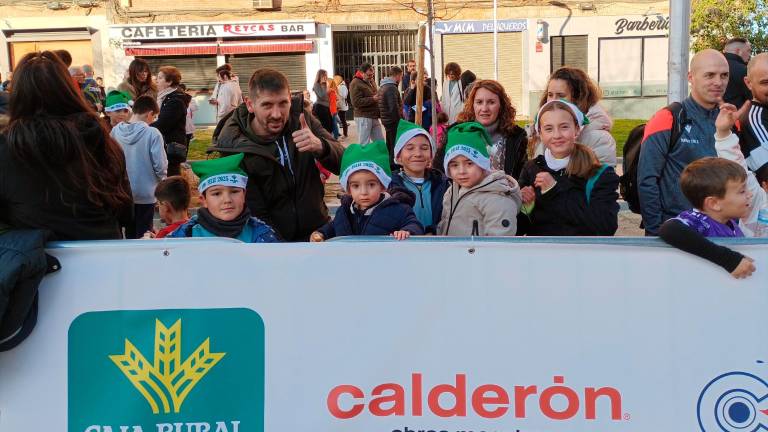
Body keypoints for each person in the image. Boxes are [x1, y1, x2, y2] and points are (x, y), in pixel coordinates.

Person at [0, 51, 132, 240]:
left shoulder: (8, 148)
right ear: (68, 89)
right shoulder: (100, 139)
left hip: (39, 260)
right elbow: (126, 209)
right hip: (103, 254)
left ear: (17, 95)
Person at [210, 68, 344, 242]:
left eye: (283, 103)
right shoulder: (234, 145)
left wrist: (321, 146)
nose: (277, 114)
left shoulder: (302, 120)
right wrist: (279, 250)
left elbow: (346, 163)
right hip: (269, 243)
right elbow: (254, 212)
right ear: (250, 104)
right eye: (267, 105)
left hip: (317, 234)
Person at [638, 49, 729, 236]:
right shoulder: (668, 117)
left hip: (721, 232)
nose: (718, 82)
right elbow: (647, 180)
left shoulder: (730, 120)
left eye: (724, 75)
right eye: (709, 75)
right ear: (691, 77)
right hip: (677, 232)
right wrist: (656, 232)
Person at [517, 100, 619, 236]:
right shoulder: (531, 168)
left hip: (581, 255)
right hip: (541, 254)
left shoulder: (598, 173)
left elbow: (605, 226)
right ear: (540, 133)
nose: (557, 135)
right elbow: (519, 229)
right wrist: (523, 206)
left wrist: (554, 191)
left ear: (577, 129)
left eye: (564, 127)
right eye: (549, 129)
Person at [659, 158, 755, 278]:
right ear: (714, 204)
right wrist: (729, 260)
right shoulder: (698, 221)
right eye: (742, 191)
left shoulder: (729, 222)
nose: (750, 194)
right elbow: (669, 229)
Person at [310, 140, 423, 241]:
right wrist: (321, 233)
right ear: (348, 189)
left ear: (383, 185)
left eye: (371, 184)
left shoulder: (398, 209)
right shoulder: (344, 211)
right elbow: (335, 226)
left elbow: (414, 224)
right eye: (356, 186)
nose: (364, 192)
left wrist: (407, 231)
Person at [167, 154, 280, 242]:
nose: (227, 200)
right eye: (216, 194)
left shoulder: (263, 235)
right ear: (203, 200)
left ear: (244, 195)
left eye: (234, 191)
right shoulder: (185, 236)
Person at [437, 122, 521, 236]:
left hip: (478, 253)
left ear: (483, 163)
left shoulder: (497, 199)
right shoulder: (451, 193)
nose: (462, 171)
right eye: (454, 165)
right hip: (452, 253)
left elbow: (499, 245)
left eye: (469, 163)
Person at [433, 80, 528, 180]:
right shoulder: (455, 133)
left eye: (491, 102)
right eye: (479, 102)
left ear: (501, 105)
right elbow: (438, 173)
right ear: (472, 105)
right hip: (463, 195)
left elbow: (521, 176)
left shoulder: (515, 136)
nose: (484, 108)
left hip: (503, 194)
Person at [532, 67, 617, 166]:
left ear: (579, 98)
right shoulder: (543, 129)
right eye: (550, 95)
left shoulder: (600, 138)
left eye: (561, 95)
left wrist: (553, 182)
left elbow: (603, 179)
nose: (553, 100)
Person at [111, 95, 168, 238]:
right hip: (146, 193)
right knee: (143, 234)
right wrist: (163, 181)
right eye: (154, 117)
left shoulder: (115, 131)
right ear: (150, 114)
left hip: (122, 192)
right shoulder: (152, 133)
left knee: (127, 233)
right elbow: (160, 165)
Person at [389, 119, 450, 234]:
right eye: (410, 148)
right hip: (403, 245)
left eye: (424, 148)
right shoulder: (390, 186)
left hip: (437, 244)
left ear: (431, 156)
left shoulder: (443, 184)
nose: (418, 154)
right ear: (398, 157)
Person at [151, 66, 191, 177]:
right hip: (165, 145)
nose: (156, 81)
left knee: (171, 178)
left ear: (169, 82)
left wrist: (143, 127)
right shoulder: (165, 97)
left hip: (171, 148)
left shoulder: (175, 100)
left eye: (160, 78)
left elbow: (163, 124)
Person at [350, 62, 384, 144]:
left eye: (372, 75)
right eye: (369, 75)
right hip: (363, 117)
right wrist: (373, 99)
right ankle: (363, 157)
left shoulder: (369, 81)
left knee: (380, 142)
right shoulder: (355, 83)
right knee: (364, 143)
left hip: (373, 116)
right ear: (362, 73)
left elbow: (375, 93)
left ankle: (380, 156)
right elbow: (355, 102)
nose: (371, 77)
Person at [378, 66, 404, 166]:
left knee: (390, 144)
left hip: (387, 120)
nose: (401, 79)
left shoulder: (384, 86)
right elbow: (393, 108)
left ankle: (390, 164)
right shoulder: (391, 88)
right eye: (401, 76)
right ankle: (393, 166)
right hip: (392, 122)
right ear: (397, 75)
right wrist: (399, 123)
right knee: (394, 145)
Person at [722, 37, 752, 108]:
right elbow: (753, 99)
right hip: (739, 116)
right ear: (738, 51)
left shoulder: (711, 66)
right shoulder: (745, 70)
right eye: (748, 51)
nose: (750, 55)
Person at [311, 69, 334, 134]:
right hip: (320, 107)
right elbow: (322, 95)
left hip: (327, 107)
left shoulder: (325, 84)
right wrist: (325, 85)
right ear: (320, 76)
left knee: (330, 126)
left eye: (326, 75)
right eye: (324, 75)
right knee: (325, 128)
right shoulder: (317, 85)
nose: (326, 77)